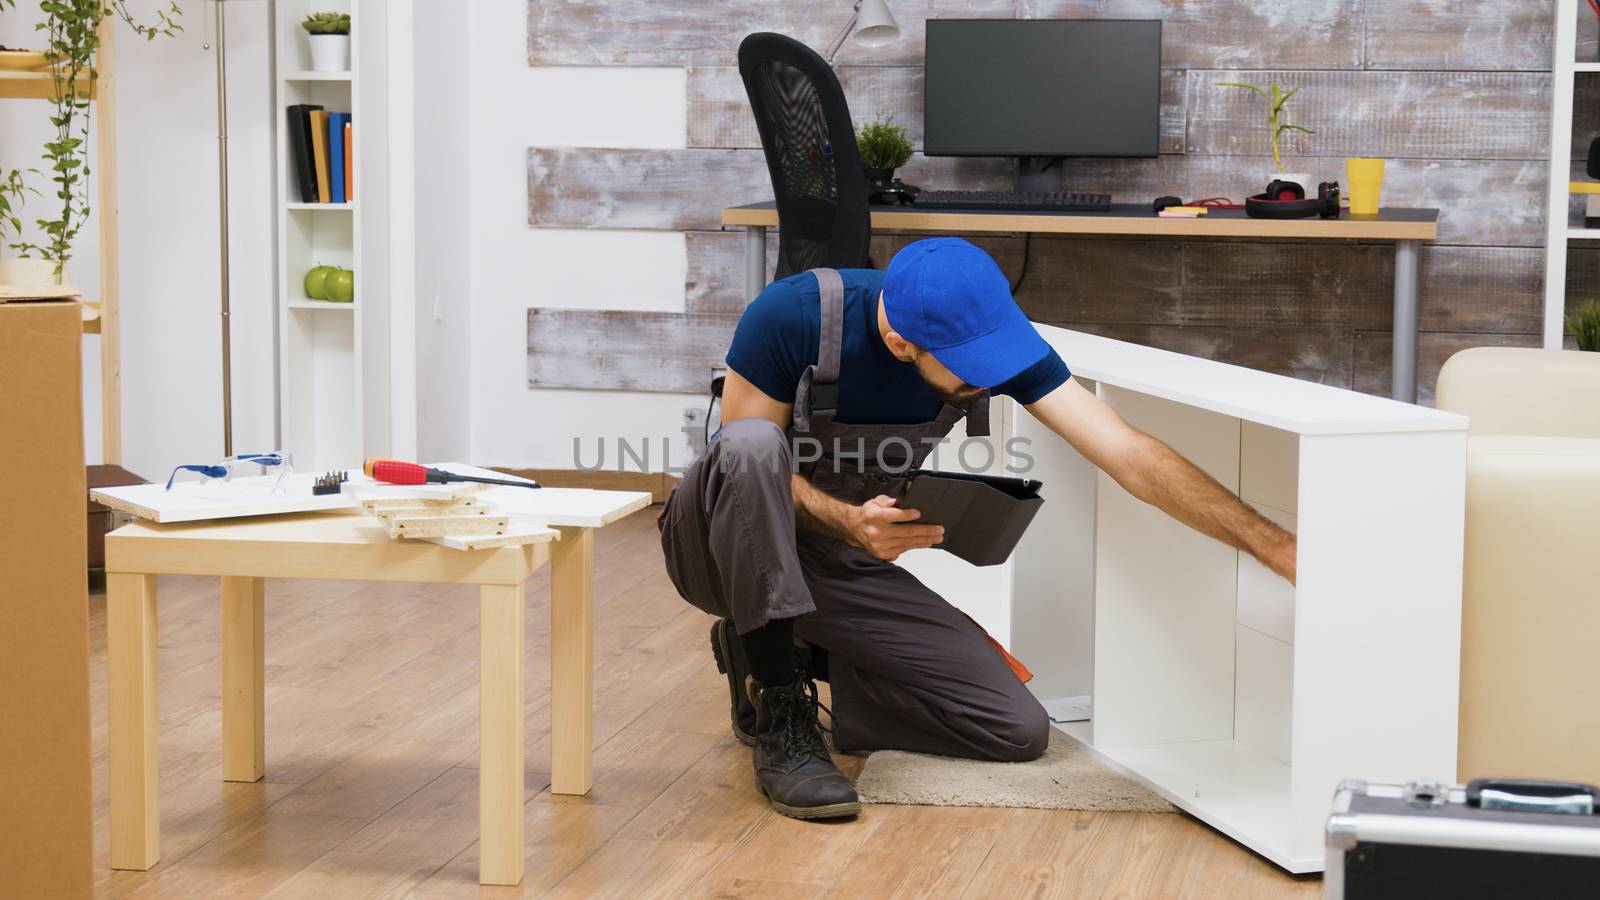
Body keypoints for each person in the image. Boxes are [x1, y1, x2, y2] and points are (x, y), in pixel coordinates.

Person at [657, 237, 1296, 820]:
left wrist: (1278, 547)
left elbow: (1128, 454)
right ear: (902, 342)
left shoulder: (983, 338)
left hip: (834, 564)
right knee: (749, 446)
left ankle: (777, 647)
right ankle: (781, 709)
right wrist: (850, 521)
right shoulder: (793, 314)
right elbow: (743, 470)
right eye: (969, 367)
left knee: (1014, 728)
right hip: (717, 546)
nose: (989, 378)